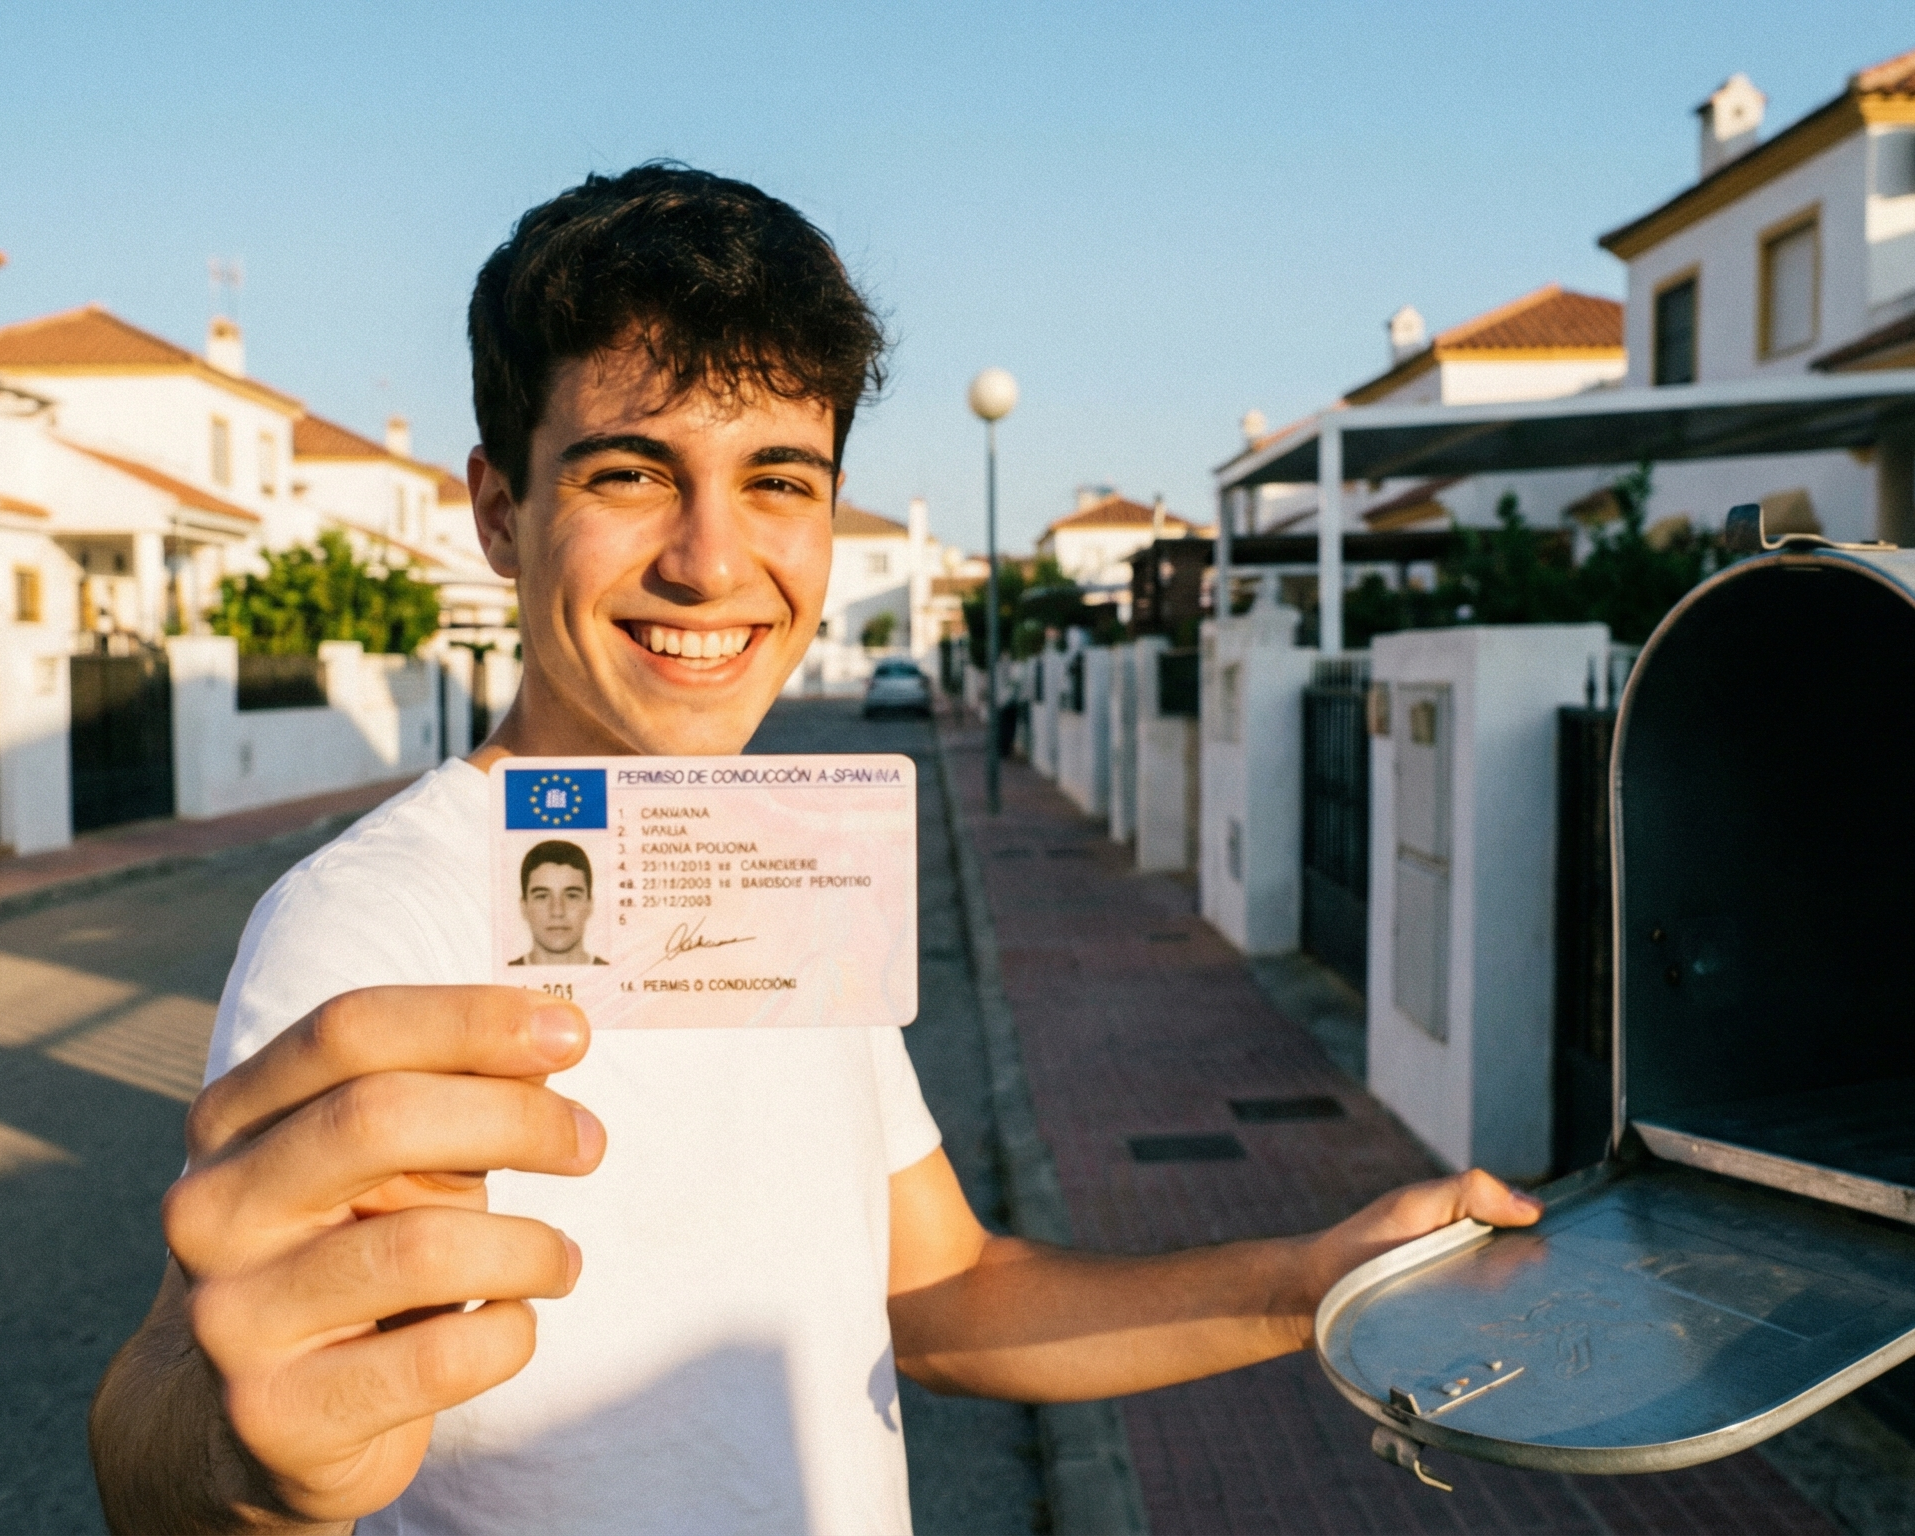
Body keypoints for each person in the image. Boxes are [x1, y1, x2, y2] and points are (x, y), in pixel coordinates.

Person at [86, 163, 1541, 1536]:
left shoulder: (776, 870)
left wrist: (1313, 1283)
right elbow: (188, 1412)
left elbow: (942, 1292)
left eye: (780, 479)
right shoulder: (368, 920)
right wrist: (245, 1471)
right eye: (631, 474)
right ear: (496, 511)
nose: (714, 562)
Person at [506, 840, 603, 967]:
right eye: (542, 896)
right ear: (523, 907)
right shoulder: (496, 981)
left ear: (590, 905)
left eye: (572, 896)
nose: (557, 911)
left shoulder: (617, 975)